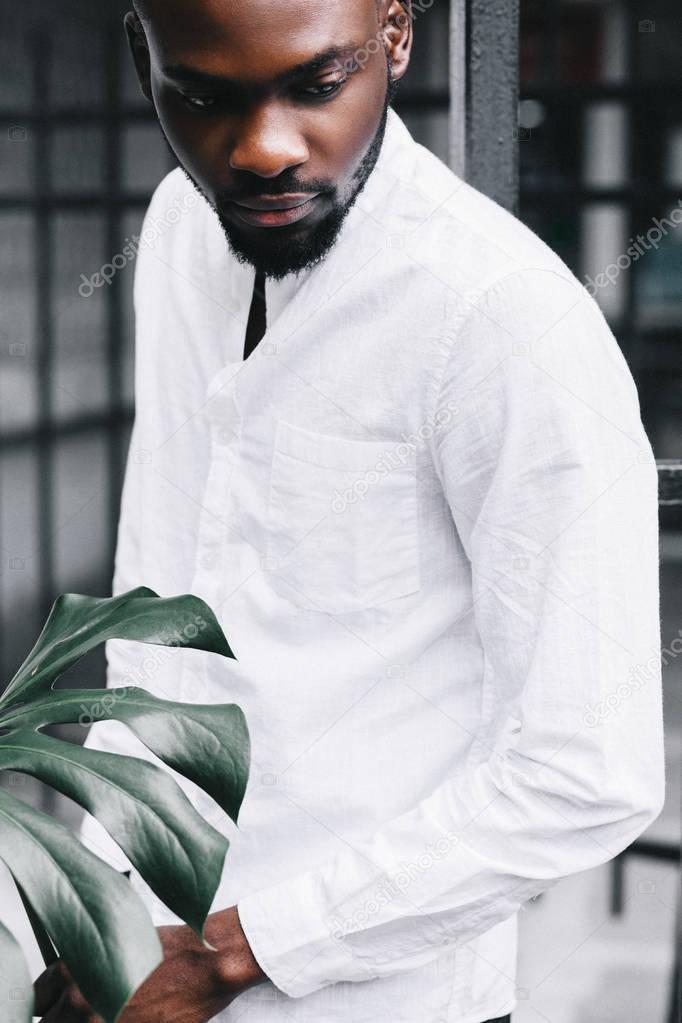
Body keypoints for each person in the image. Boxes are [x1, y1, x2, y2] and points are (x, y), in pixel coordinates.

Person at [33, 1, 665, 1021]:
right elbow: (158, 624)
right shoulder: (177, 230)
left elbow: (585, 769)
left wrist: (229, 955)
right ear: (140, 58)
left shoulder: (500, 317)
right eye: (201, 97)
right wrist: (109, 895)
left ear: (396, 36)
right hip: (133, 969)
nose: (263, 149)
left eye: (317, 85)